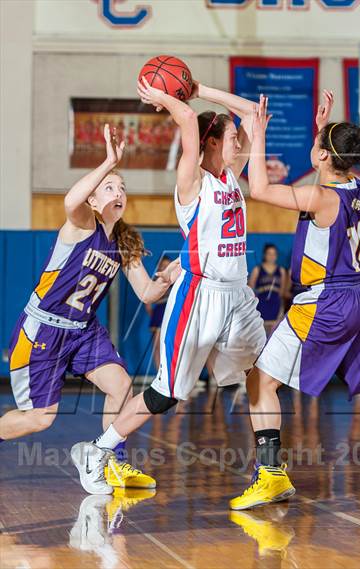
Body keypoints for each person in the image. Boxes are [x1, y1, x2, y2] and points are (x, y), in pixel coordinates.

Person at [71, 77, 267, 494]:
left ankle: (269, 470)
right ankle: (100, 449)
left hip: (237, 297)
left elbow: (252, 111)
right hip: (200, 296)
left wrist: (198, 88)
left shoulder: (232, 175)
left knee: (263, 377)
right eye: (231, 137)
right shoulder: (192, 181)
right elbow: (185, 120)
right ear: (211, 142)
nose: (239, 142)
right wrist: (166, 97)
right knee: (165, 395)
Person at [230, 93, 360, 510]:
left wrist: (257, 134)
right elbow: (328, 167)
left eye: (317, 146)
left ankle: (270, 477)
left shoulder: (320, 198)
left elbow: (258, 188)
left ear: (320, 156)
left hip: (327, 301)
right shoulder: (356, 187)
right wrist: (324, 128)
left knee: (260, 381)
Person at [0, 124, 180, 494]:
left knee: (120, 385)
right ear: (94, 202)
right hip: (45, 329)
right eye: (109, 187)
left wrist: (168, 278)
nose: (119, 192)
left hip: (83, 329)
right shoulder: (82, 225)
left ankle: (107, 460)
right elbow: (69, 200)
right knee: (40, 419)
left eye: (122, 187)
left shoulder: (127, 241)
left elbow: (146, 293)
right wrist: (109, 161)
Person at [249, 244, 287, 333]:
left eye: (274, 254)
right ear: (264, 255)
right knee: (260, 334)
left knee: (274, 334)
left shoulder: (281, 270)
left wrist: (280, 306)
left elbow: (282, 292)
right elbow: (250, 290)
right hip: (261, 305)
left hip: (275, 305)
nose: (271, 256)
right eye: (269, 254)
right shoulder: (257, 269)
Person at [146, 255, 173, 371]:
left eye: (167, 266)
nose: (165, 268)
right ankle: (159, 374)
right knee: (157, 346)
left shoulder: (176, 281)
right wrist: (153, 313)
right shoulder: (155, 281)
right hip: (159, 311)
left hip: (172, 312)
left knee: (170, 346)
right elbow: (147, 302)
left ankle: (171, 375)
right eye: (162, 266)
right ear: (158, 268)